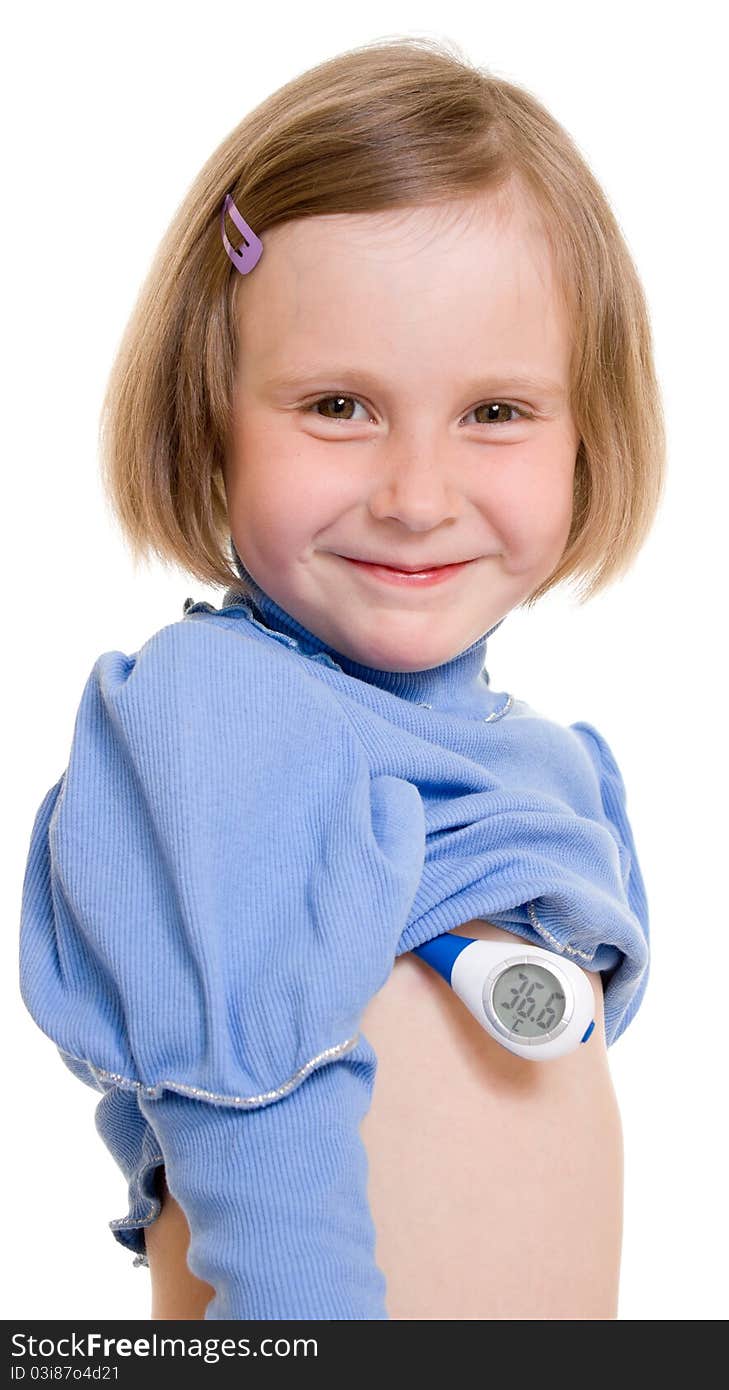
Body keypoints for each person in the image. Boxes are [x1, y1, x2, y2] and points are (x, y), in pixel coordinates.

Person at [18, 35, 664, 1321]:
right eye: (336, 406)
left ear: (588, 434)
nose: (416, 497)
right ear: (209, 416)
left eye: (494, 412)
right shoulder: (223, 716)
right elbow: (259, 1142)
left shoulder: (546, 769)